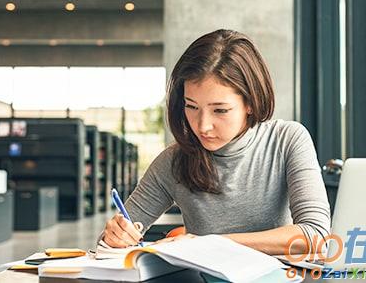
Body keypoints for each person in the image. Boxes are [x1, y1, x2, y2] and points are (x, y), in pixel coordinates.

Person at [99, 29, 330, 255]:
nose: (202, 126)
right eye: (191, 106)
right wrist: (115, 237)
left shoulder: (286, 140)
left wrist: (209, 244)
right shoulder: (173, 161)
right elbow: (107, 247)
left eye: (220, 110)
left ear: (251, 102)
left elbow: (316, 235)